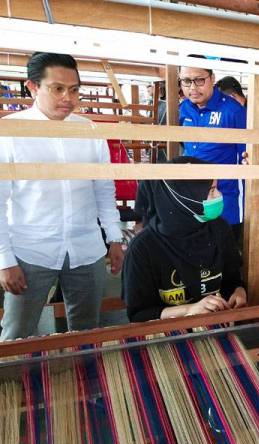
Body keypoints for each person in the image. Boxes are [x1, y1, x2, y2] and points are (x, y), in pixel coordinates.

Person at [0, 52, 123, 339]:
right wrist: (5, 260)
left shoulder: (90, 132)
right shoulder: (9, 134)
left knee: (86, 331)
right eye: (57, 88)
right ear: (32, 87)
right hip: (31, 250)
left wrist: (114, 237)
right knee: (17, 332)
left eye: (74, 89)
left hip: (86, 248)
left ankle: (79, 380)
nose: (68, 97)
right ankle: (13, 382)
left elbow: (103, 190)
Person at [123, 156, 246, 322]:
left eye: (216, 188)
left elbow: (232, 279)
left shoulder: (220, 229)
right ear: (183, 200)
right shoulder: (143, 249)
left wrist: (239, 291)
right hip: (166, 336)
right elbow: (139, 315)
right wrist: (190, 310)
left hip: (215, 327)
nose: (218, 195)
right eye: (211, 190)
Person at [178, 61, 247, 241]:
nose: (192, 87)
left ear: (212, 78)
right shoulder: (184, 109)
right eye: (186, 81)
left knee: (226, 258)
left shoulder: (233, 111)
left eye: (199, 80)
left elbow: (246, 157)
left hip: (226, 200)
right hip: (193, 199)